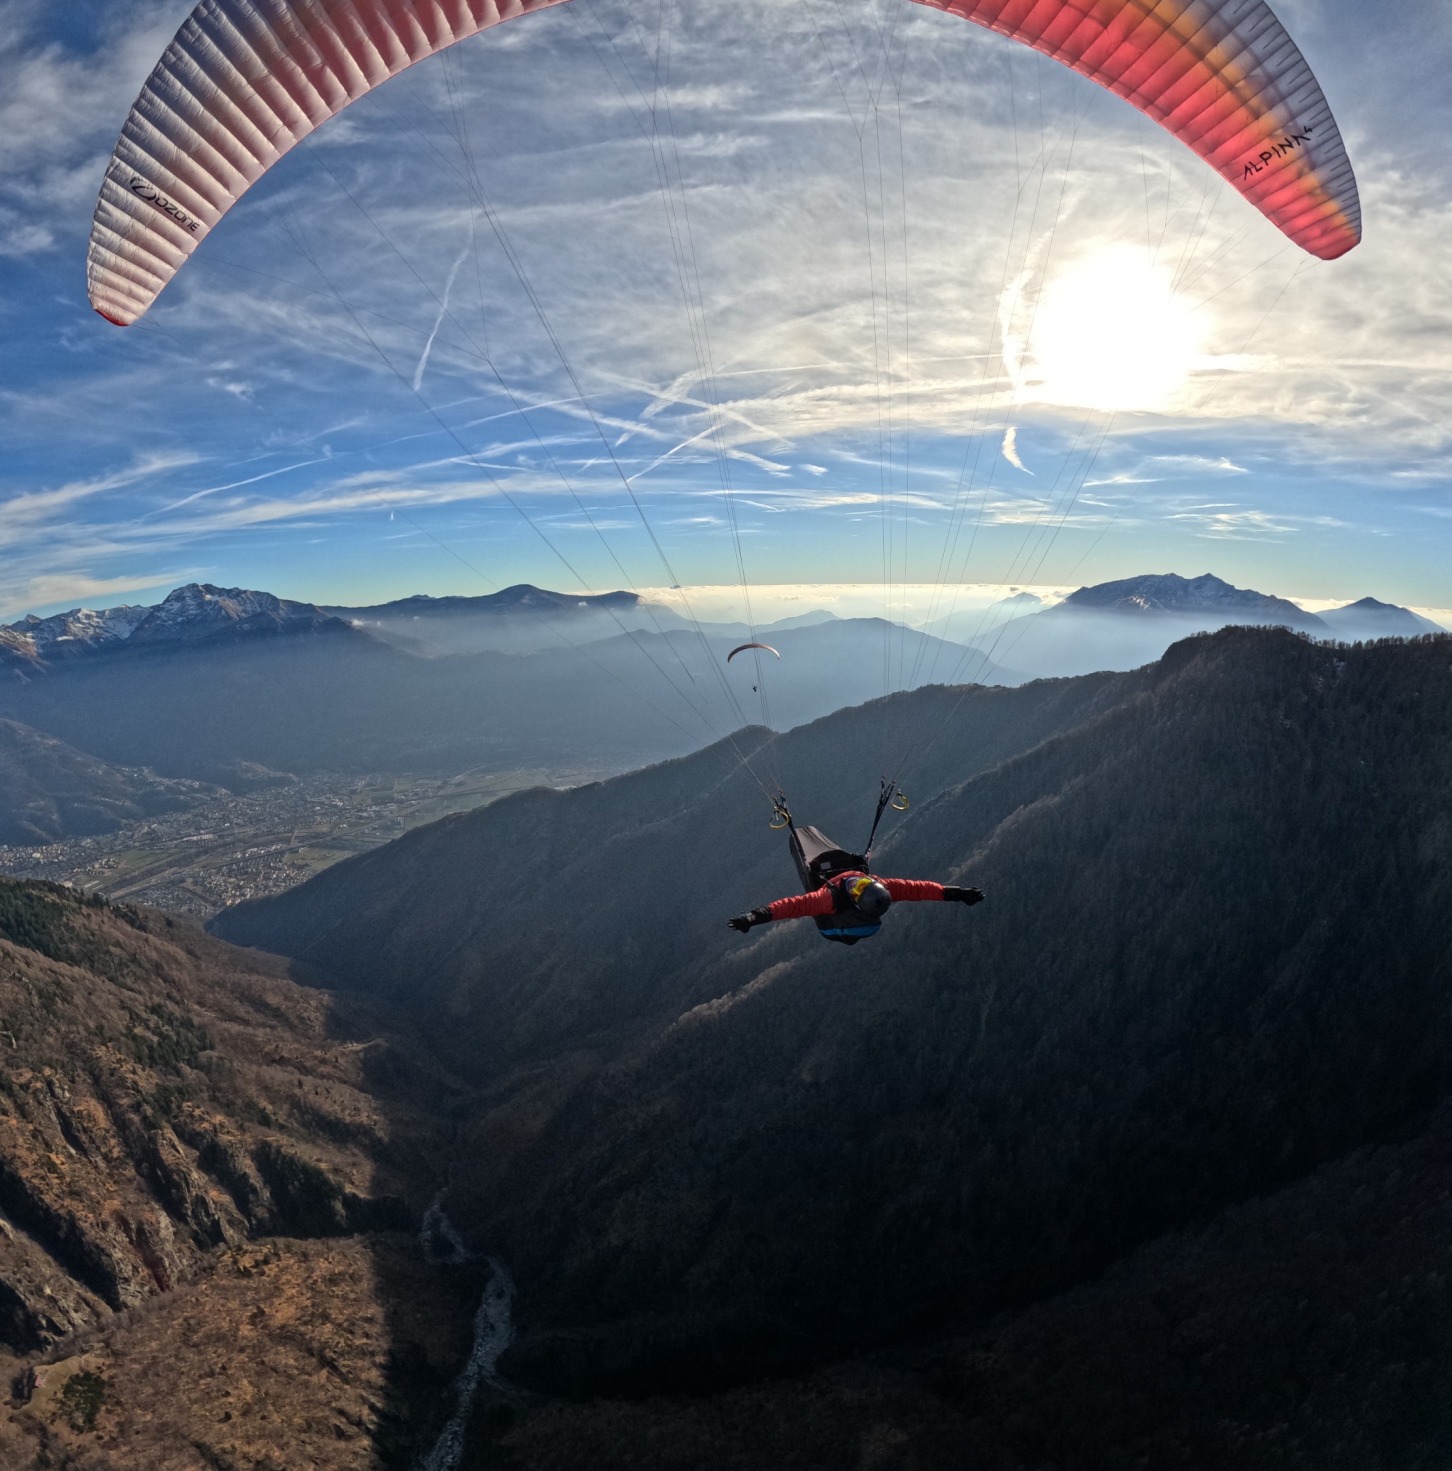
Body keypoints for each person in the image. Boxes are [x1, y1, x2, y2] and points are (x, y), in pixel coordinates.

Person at [727, 821, 983, 945]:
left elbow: (791, 906)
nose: (855, 881)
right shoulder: (877, 882)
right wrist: (956, 893)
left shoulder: (830, 899)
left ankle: (850, 925)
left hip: (833, 929)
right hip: (861, 919)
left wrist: (752, 917)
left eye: (857, 888)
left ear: (855, 899)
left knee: (837, 920)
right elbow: (921, 889)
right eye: (861, 882)